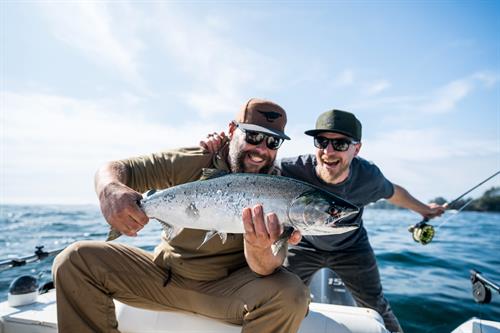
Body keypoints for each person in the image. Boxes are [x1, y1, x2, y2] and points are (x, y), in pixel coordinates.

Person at [52, 98, 309, 333]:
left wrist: (258, 247)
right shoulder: (193, 160)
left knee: (291, 294)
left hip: (227, 291)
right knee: (74, 260)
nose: (261, 149)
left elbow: (265, 269)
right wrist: (110, 190)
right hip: (162, 277)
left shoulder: (280, 193)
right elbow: (118, 168)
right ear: (232, 130)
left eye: (273, 142)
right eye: (253, 136)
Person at [201, 109, 446, 333]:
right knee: (279, 296)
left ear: (356, 149)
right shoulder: (289, 170)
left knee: (377, 306)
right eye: (322, 141)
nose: (329, 152)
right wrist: (222, 143)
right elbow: (250, 164)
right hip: (303, 245)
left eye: (340, 143)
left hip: (352, 247)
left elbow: (395, 193)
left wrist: (425, 210)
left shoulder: (368, 177)